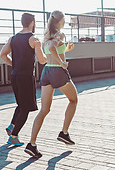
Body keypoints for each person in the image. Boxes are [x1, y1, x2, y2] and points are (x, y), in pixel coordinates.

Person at [24, 10, 77, 158]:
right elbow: (53, 49)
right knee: (73, 100)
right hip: (58, 72)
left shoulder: (47, 35)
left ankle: (32, 144)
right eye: (64, 20)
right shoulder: (60, 34)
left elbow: (52, 49)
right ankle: (64, 132)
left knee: (44, 110)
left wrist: (66, 49)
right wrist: (62, 63)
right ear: (60, 22)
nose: (65, 23)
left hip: (46, 72)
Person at [0, 13, 47, 146]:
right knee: (25, 108)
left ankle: (12, 126)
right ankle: (14, 136)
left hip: (15, 76)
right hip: (26, 77)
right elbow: (42, 60)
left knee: (21, 104)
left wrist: (14, 64)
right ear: (32, 22)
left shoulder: (13, 38)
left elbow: (2, 54)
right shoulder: (33, 39)